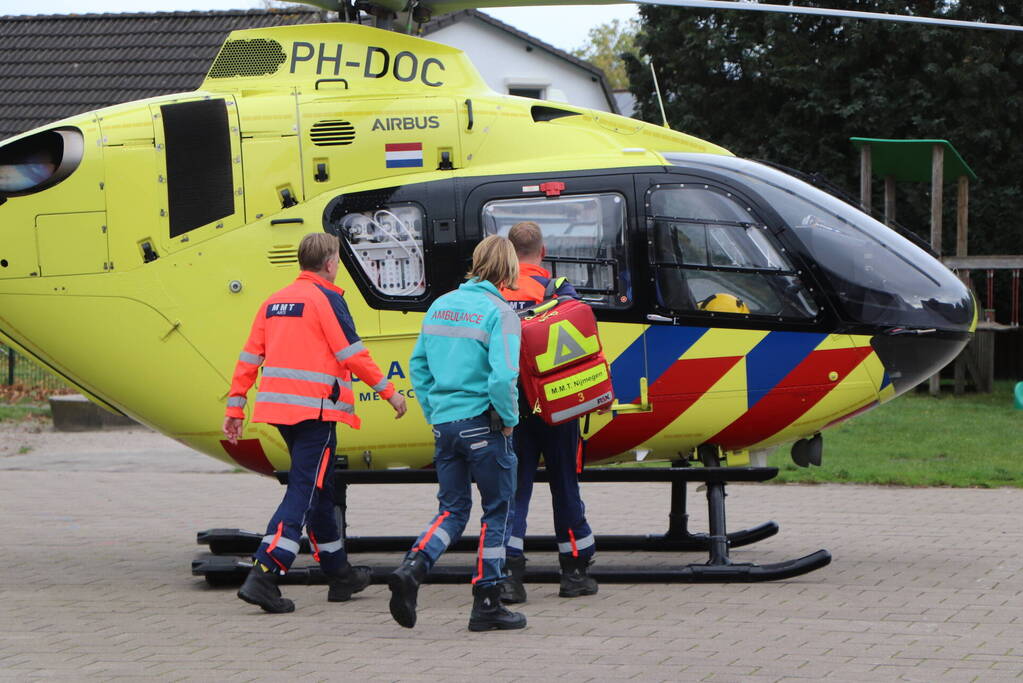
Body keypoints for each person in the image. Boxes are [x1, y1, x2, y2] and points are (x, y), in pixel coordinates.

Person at [223, 232, 407, 614]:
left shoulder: (273, 302)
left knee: (321, 489)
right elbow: (352, 354)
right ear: (328, 263)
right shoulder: (327, 299)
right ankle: (265, 572)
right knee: (305, 490)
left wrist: (235, 409)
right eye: (337, 260)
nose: (338, 266)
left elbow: (248, 358)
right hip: (315, 412)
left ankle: (339, 573)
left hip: (280, 413)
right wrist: (390, 392)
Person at [387, 235, 526, 632]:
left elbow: (418, 366)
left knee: (451, 510)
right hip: (485, 425)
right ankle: (487, 601)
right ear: (508, 268)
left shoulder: (441, 305)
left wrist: (436, 413)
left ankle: (413, 567)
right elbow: (503, 377)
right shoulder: (501, 312)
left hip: (446, 426)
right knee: (497, 511)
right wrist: (509, 418)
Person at [499, 221, 598, 604]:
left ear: (508, 252)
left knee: (512, 491)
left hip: (511, 407)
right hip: (557, 405)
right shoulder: (558, 290)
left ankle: (508, 575)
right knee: (565, 485)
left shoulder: (493, 292)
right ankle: (574, 572)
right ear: (542, 253)